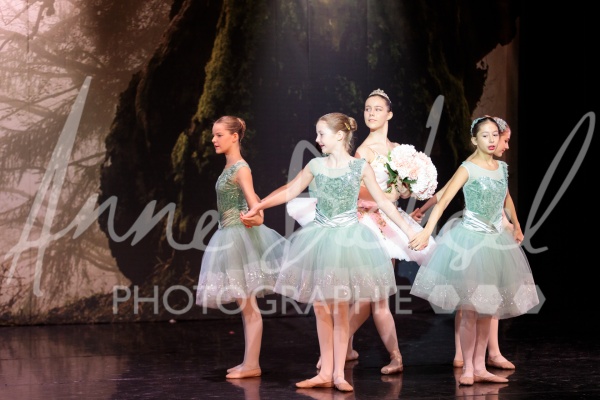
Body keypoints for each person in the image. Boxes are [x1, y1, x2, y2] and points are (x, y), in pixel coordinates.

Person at [241, 112, 424, 392]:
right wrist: (259, 205)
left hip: (348, 240)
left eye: (321, 134)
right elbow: (290, 190)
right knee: (321, 307)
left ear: (339, 136)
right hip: (320, 238)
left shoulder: (360, 167)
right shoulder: (316, 165)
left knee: (340, 308)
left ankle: (339, 374)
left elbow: (385, 204)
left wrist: (410, 231)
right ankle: (325, 372)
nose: (317, 139)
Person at [408, 116, 539, 386]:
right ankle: (468, 367)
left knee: (488, 308)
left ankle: (480, 366)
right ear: (474, 140)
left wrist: (516, 225)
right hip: (470, 242)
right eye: (485, 135)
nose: (491, 140)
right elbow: (444, 200)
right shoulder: (468, 168)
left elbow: (506, 199)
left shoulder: (501, 168)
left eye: (494, 135)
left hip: (495, 242)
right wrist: (427, 230)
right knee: (469, 309)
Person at [338, 89, 437, 375]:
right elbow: (360, 190)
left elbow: (400, 191)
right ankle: (376, 353)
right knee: (373, 296)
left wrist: (409, 187)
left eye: (377, 109)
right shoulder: (363, 152)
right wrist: (390, 194)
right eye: (367, 109)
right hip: (368, 223)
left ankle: (344, 348)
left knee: (375, 294)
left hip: (389, 222)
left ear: (389, 114)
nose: (371, 113)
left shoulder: (398, 151)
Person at [195, 116, 287, 380]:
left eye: (219, 135)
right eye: (213, 135)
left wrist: (252, 218)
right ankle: (249, 362)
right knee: (245, 305)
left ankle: (252, 364)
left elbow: (257, 209)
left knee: (248, 306)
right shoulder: (229, 166)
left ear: (234, 137)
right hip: (228, 234)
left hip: (237, 237)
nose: (213, 139)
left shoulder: (241, 168)